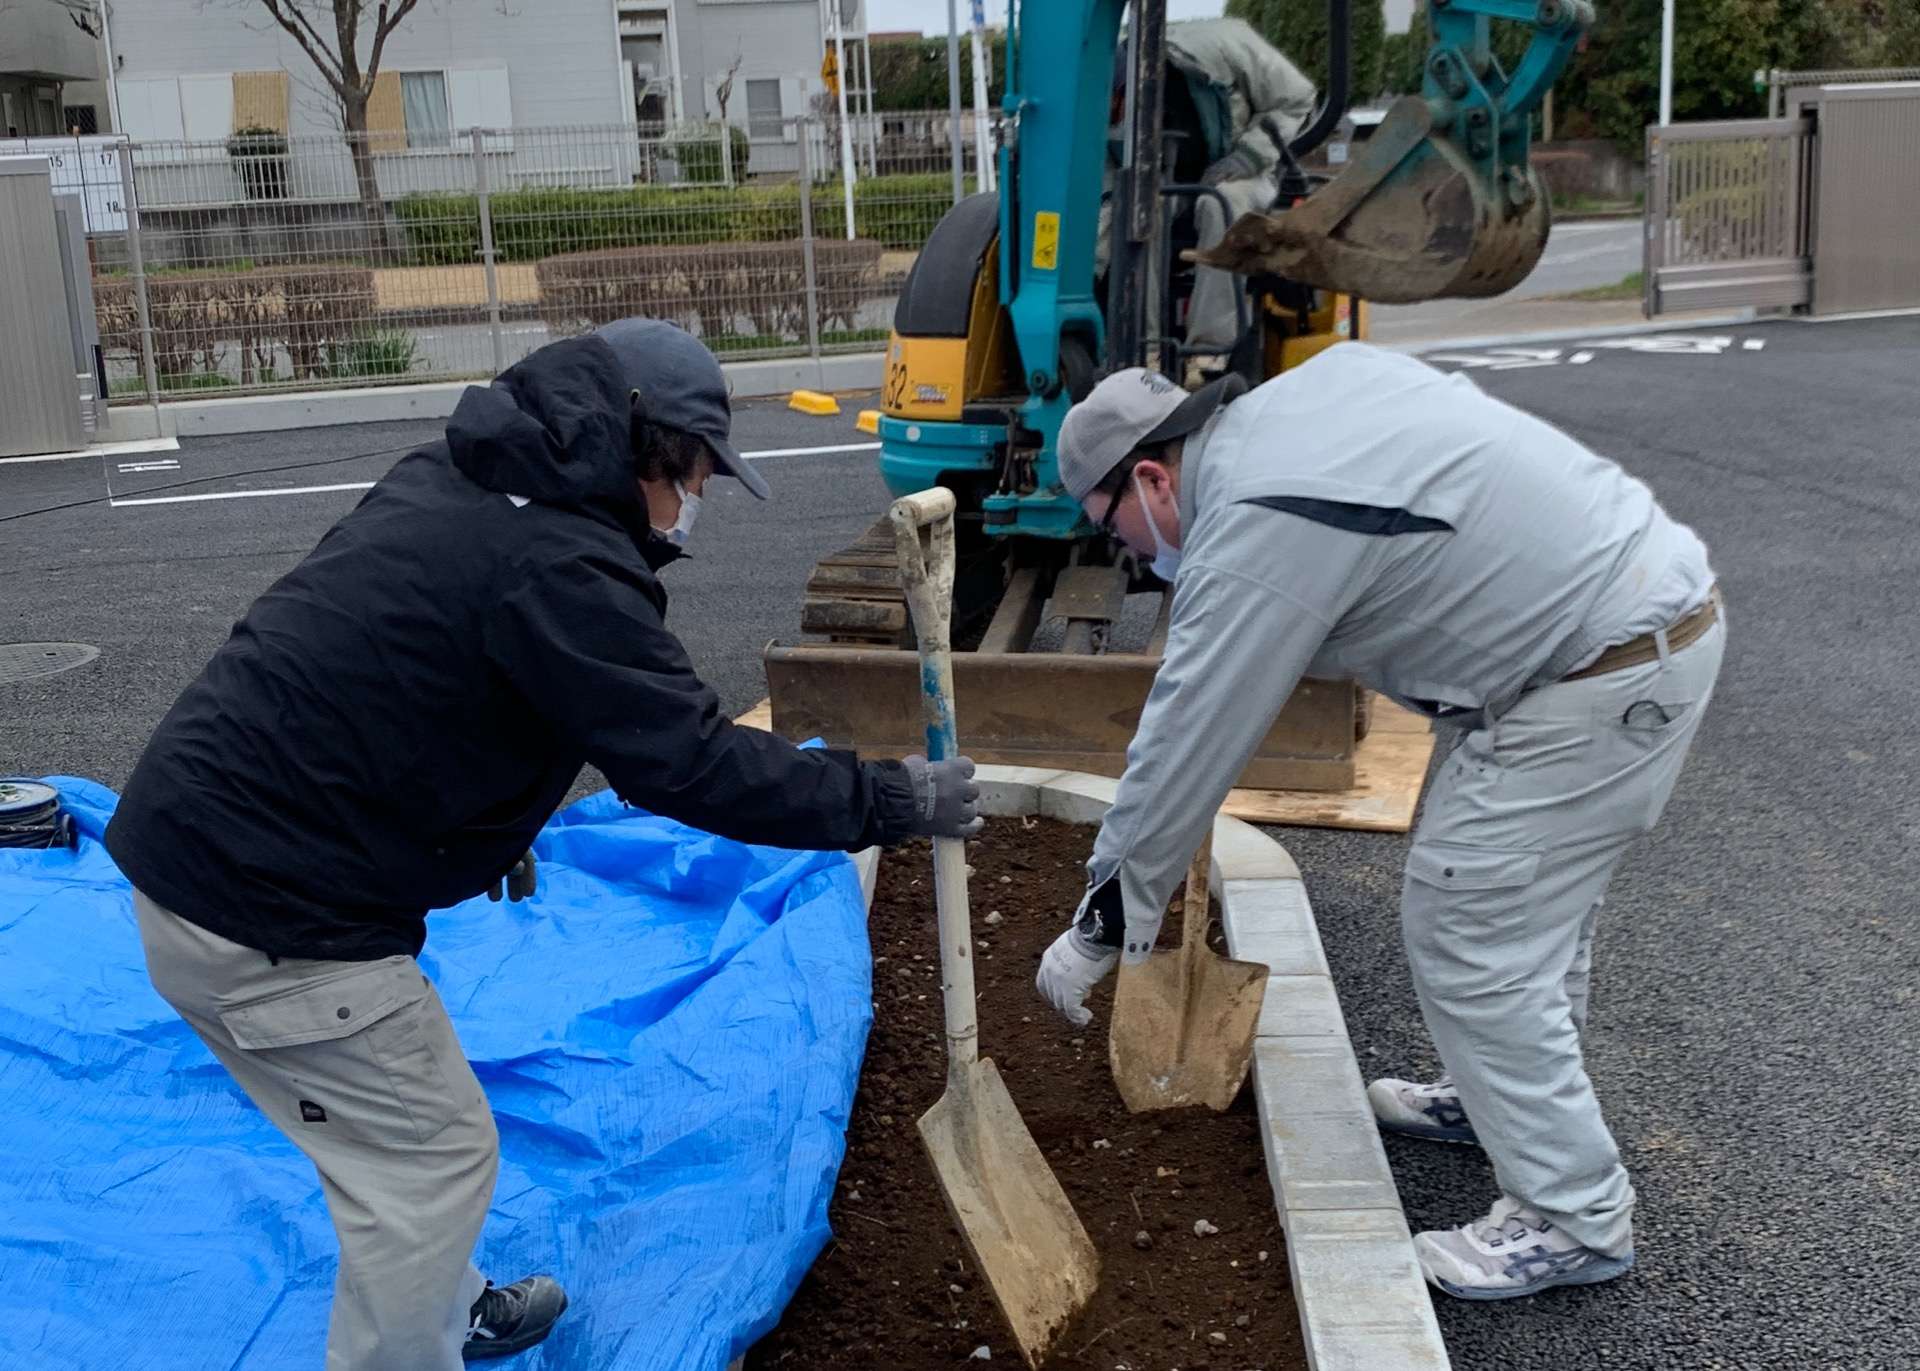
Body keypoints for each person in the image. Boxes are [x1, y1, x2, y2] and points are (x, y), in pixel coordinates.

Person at [105, 319, 984, 1367]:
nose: (690, 504)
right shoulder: (564, 565)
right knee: (432, 1157)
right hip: (265, 911)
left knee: (387, 1135)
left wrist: (487, 820)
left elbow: (411, 668)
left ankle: (440, 1301)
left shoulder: (461, 478)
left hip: (202, 850)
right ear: (648, 450)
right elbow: (690, 761)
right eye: (694, 476)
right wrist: (885, 801)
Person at [1032, 348, 1724, 1300]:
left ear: (1151, 478)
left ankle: (1574, 1217)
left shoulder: (1254, 518)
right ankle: (1500, 1106)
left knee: (1473, 927)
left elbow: (1189, 730)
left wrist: (1105, 916)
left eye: (1117, 532)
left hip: (1596, 671)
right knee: (1521, 914)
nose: (1138, 556)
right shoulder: (1302, 403)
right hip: (1615, 634)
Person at [1104, 17, 1318, 355]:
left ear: (1127, 85)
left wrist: (1247, 156)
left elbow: (1296, 96)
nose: (1115, 120)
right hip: (1166, 182)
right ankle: (1146, 348)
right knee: (1139, 211)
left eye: (1116, 107)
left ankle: (1209, 349)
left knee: (1220, 204)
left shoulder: (1227, 44)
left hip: (1244, 176)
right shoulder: (1111, 82)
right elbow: (1106, 196)